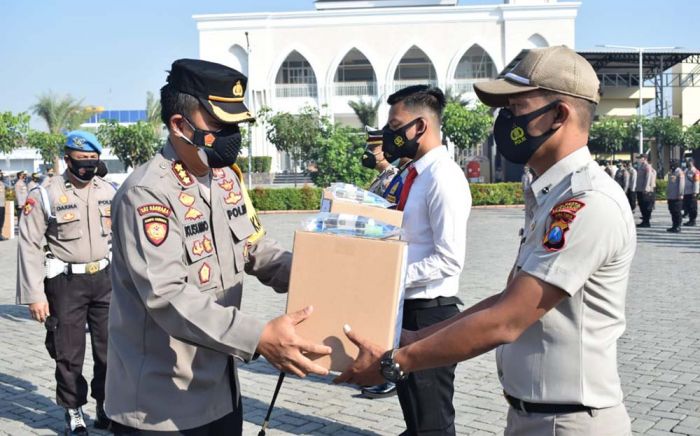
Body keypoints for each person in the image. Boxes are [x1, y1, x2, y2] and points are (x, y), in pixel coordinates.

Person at [335, 46, 635, 436]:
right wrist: (416, 337)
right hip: (535, 415)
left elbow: (507, 320)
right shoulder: (552, 196)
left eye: (516, 108)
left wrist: (396, 359)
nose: (504, 120)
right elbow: (506, 297)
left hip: (568, 422)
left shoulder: (586, 203)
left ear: (558, 115)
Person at [105, 59, 331, 435]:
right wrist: (258, 336)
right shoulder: (147, 193)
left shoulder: (224, 178)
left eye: (235, 126)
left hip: (220, 390)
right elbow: (167, 295)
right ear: (179, 125)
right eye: (220, 126)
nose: (231, 137)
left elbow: (255, 246)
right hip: (161, 405)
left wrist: (314, 272)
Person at [365, 85, 471, 435]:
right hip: (408, 308)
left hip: (431, 314)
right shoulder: (414, 176)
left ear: (420, 127)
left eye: (395, 126)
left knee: (432, 425)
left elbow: (448, 258)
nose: (389, 135)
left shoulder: (444, 178)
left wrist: (389, 276)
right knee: (415, 418)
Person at [16, 131, 115, 435]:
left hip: (105, 279)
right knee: (69, 351)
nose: (88, 166)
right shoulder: (45, 194)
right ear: (67, 159)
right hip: (65, 281)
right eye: (82, 160)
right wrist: (35, 294)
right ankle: (73, 409)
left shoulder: (108, 191)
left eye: (93, 160)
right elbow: (29, 244)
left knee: (110, 349)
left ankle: (105, 404)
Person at [363, 128, 400, 196]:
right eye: (367, 148)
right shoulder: (381, 177)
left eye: (372, 149)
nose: (368, 153)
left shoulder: (392, 177)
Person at [635, 153, 656, 228]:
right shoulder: (642, 166)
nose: (639, 159)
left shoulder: (647, 166)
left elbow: (648, 178)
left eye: (640, 158)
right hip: (640, 189)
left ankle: (646, 222)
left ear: (644, 158)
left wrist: (646, 188)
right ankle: (644, 221)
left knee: (646, 207)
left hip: (645, 190)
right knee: (642, 206)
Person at [666, 159, 685, 233]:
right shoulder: (672, 172)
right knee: (672, 211)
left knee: (677, 212)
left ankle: (678, 226)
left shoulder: (679, 172)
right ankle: (674, 226)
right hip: (671, 196)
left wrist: (680, 194)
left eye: (672, 164)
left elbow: (681, 184)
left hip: (677, 196)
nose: (670, 165)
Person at [683, 158, 699, 226]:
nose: (688, 163)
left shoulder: (695, 171)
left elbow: (696, 182)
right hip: (686, 192)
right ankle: (690, 220)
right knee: (687, 207)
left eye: (689, 162)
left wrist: (695, 192)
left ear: (692, 162)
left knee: (693, 207)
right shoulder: (686, 170)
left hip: (692, 192)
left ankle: (693, 220)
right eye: (687, 162)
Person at [0, 171, 6, 241]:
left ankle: (0, 235)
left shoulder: (1, 183)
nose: (1, 175)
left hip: (2, 204)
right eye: (0, 174)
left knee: (1, 221)